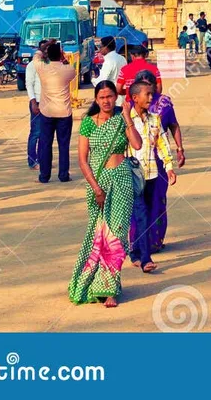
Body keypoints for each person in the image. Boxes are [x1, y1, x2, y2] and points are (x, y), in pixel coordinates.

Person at [68, 80, 142, 306]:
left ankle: (109, 289)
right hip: (98, 183)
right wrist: (96, 188)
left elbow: (137, 145)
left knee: (117, 234)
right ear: (96, 99)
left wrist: (128, 117)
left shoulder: (122, 119)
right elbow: (82, 160)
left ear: (115, 97)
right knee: (98, 235)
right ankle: (91, 281)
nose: (106, 101)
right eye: (102, 97)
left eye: (110, 96)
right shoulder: (88, 123)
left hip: (121, 179)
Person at [126, 81, 176, 272]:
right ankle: (146, 258)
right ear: (135, 98)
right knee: (142, 214)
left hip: (152, 174)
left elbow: (163, 143)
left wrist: (169, 167)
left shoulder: (155, 119)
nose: (150, 98)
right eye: (147, 94)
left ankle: (136, 251)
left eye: (151, 94)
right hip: (132, 175)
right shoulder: (126, 120)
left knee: (145, 212)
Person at [34, 41, 76, 183]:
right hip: (64, 112)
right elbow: (68, 66)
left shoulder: (42, 68)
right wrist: (63, 57)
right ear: (60, 54)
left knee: (45, 144)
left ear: (47, 55)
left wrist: (44, 47)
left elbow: (36, 56)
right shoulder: (69, 69)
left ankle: (44, 176)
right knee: (64, 145)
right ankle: (63, 175)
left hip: (47, 112)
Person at [24, 39, 48, 170]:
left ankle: (42, 159)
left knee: (45, 133)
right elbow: (29, 84)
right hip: (37, 102)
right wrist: (33, 102)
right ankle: (32, 161)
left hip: (47, 102)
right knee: (35, 133)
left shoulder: (49, 64)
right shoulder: (32, 65)